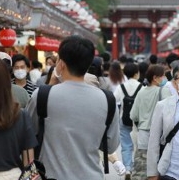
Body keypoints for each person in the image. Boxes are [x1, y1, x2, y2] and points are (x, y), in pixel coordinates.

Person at [26, 35, 120, 180]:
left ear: (61, 63)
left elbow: (30, 133)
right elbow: (111, 145)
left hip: (51, 175)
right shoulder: (107, 99)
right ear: (88, 64)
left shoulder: (42, 95)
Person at [130, 64, 171, 180]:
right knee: (158, 172)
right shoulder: (164, 92)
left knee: (141, 172)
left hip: (143, 136)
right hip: (159, 137)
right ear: (155, 78)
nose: (164, 78)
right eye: (162, 76)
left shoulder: (141, 92)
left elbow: (133, 115)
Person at [114, 62, 142, 179]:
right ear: (137, 73)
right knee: (137, 145)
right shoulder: (142, 87)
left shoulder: (121, 87)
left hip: (124, 119)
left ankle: (127, 169)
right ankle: (136, 168)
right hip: (138, 121)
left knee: (126, 145)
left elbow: (114, 101)